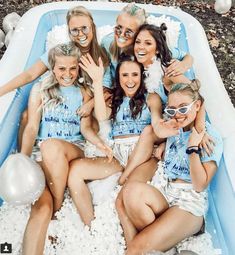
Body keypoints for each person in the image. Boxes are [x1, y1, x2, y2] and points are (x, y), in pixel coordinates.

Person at [121, 81, 223, 255]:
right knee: (130, 191)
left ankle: (155, 245)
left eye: (183, 108)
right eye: (172, 110)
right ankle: (168, 248)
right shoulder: (176, 128)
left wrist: (192, 149)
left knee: (135, 248)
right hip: (168, 193)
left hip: (189, 203)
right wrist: (161, 148)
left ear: (197, 106)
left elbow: (200, 185)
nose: (178, 115)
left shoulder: (209, 137)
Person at [67, 54, 169, 226]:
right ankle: (90, 225)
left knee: (127, 195)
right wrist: (98, 82)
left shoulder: (151, 98)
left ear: (141, 76)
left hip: (144, 157)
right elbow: (101, 116)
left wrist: (166, 137)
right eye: (125, 75)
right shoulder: (115, 98)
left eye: (134, 75)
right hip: (118, 155)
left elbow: (156, 125)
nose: (130, 80)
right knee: (75, 171)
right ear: (118, 77)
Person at [20, 42, 102, 255]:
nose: (68, 74)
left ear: (78, 67)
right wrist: (23, 159)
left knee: (52, 146)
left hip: (72, 149)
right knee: (40, 209)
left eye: (73, 68)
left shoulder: (83, 92)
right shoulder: (40, 90)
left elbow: (85, 128)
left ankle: (57, 208)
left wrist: (99, 143)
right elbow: (31, 128)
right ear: (53, 68)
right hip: (43, 155)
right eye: (62, 68)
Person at [0, 6, 111, 117]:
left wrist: (89, 105)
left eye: (84, 28)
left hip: (88, 103)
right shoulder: (62, 52)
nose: (81, 34)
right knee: (26, 116)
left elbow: (107, 90)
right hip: (64, 100)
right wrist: (2, 90)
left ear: (92, 27)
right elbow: (30, 74)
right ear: (69, 31)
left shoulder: (103, 55)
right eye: (75, 30)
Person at [101, 3, 193, 81]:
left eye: (129, 32)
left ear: (139, 33)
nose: (121, 35)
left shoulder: (149, 49)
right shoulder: (107, 42)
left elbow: (187, 56)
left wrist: (183, 65)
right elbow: (106, 72)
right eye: (119, 28)